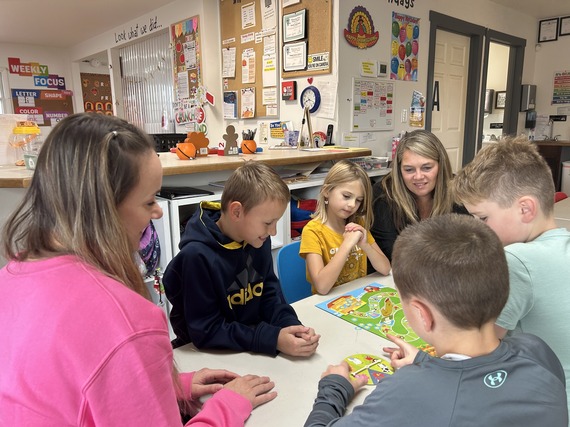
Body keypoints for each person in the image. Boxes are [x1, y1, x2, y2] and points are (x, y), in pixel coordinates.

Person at [0, 113, 277, 426]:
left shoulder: (10, 277)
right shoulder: (128, 322)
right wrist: (228, 406)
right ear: (103, 210)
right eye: (148, 202)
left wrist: (167, 384)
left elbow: (69, 395)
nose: (158, 212)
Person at [304, 214, 568, 427]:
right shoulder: (537, 350)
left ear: (422, 315)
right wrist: (425, 363)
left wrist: (334, 387)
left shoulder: (404, 393)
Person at [452, 136, 570, 416]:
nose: (477, 229)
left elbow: (477, 347)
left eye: (483, 219)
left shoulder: (518, 260)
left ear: (525, 209)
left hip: (546, 405)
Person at [163, 161, 320, 357]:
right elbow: (206, 331)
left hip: (248, 345)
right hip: (207, 355)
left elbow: (270, 295)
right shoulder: (197, 257)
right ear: (236, 211)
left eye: (276, 221)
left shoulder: (256, 240)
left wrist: (290, 326)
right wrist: (272, 339)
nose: (273, 231)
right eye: (268, 223)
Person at [370, 129, 467, 262]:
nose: (418, 176)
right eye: (409, 170)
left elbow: (467, 244)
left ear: (441, 165)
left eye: (427, 168)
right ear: (399, 170)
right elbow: (392, 251)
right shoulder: (383, 194)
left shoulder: (456, 190)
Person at [300, 160, 391, 295]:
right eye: (346, 196)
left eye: (358, 200)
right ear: (326, 191)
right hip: (328, 303)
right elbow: (322, 287)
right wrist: (347, 244)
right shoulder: (312, 231)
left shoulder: (358, 223)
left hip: (357, 297)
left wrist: (365, 245)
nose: (352, 205)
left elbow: (385, 268)